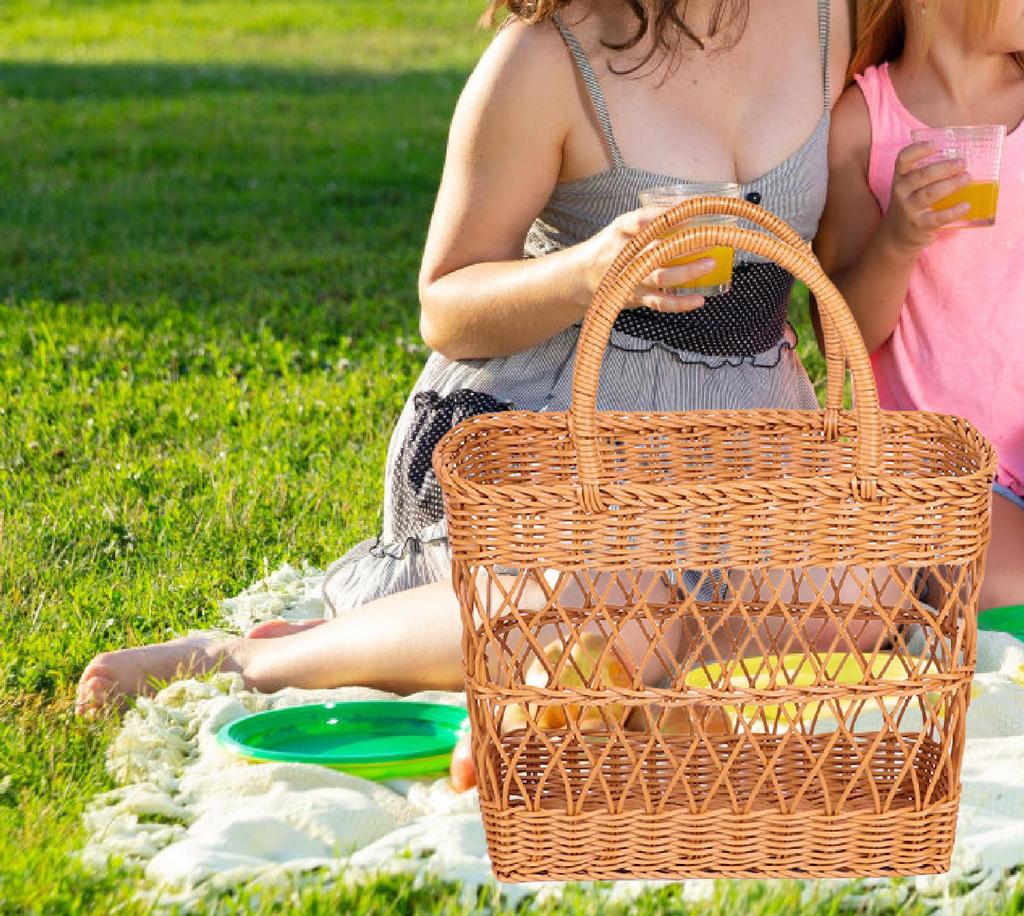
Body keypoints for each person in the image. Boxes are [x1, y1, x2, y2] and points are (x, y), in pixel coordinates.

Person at [77, 0, 852, 715]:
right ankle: (256, 660)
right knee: (606, 606)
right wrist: (585, 271)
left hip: (739, 441)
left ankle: (553, 638)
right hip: (560, 427)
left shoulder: (828, 17)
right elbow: (446, 304)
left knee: (853, 601)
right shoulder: (544, 59)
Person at [815, 0, 1024, 610]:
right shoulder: (863, 127)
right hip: (939, 477)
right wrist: (899, 238)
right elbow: (844, 340)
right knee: (1015, 592)